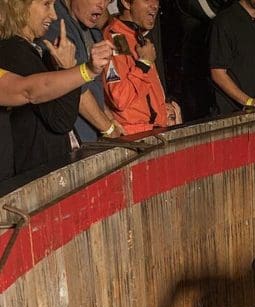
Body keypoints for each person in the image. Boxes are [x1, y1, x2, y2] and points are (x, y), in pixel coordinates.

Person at [0, 0, 82, 179]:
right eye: (46, 4)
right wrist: (73, 69)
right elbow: (60, 120)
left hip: (46, 172)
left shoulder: (35, 51)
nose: (53, 15)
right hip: (36, 178)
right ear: (20, 6)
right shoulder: (12, 51)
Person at [43, 0, 124, 142]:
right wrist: (108, 128)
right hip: (71, 142)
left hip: (92, 137)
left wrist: (110, 119)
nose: (103, 5)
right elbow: (74, 86)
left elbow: (92, 88)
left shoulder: (90, 30)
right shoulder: (56, 23)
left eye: (108, 1)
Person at [102, 0, 182, 135]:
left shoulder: (135, 36)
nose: (155, 5)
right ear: (126, 3)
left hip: (153, 132)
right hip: (136, 137)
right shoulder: (118, 38)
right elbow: (120, 99)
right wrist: (144, 63)